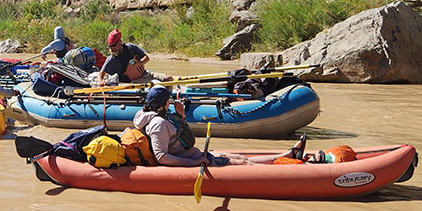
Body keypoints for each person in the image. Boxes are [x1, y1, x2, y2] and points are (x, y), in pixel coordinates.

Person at [132, 86, 309, 167]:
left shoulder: (162, 117)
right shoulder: (158, 123)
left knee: (239, 156)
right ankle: (290, 167)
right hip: (192, 159)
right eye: (168, 100)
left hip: (195, 154)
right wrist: (193, 163)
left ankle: (287, 155)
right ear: (163, 103)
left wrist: (181, 117)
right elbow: (162, 156)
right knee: (244, 163)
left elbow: (177, 139)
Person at [100, 29, 172, 84]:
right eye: (110, 46)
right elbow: (101, 73)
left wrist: (139, 63)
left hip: (146, 74)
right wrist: (100, 81)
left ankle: (168, 100)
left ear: (120, 42)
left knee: (169, 78)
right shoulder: (111, 59)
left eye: (113, 45)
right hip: (134, 81)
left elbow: (146, 58)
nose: (112, 48)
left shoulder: (131, 47)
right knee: (157, 84)